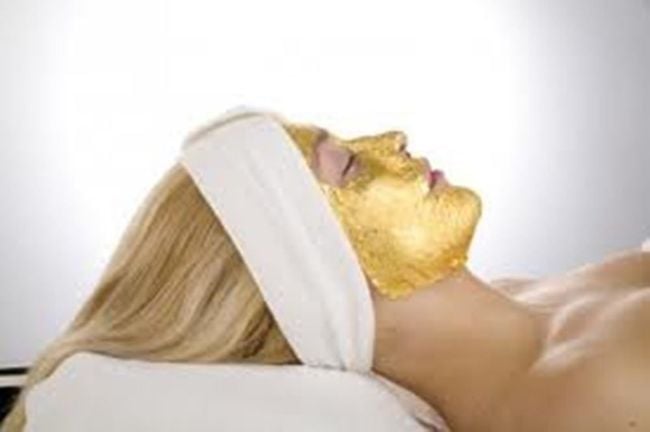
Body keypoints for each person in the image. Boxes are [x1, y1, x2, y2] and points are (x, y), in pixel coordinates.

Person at [3, 110, 649, 432]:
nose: (392, 140)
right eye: (347, 167)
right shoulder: (594, 403)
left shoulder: (535, 305)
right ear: (312, 268)